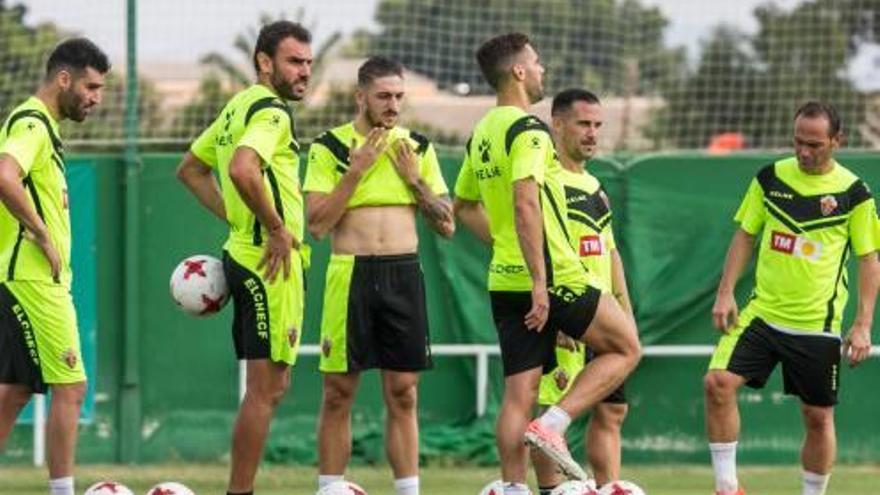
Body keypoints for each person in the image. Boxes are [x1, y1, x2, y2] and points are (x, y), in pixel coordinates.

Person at [453, 33, 640, 494]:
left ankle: (514, 488)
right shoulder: (529, 130)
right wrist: (540, 279)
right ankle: (553, 425)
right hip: (553, 276)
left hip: (504, 278)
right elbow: (525, 203)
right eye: (536, 63)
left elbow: (464, 205)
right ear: (518, 71)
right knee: (626, 348)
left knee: (519, 393)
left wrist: (506, 249)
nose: (542, 70)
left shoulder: (482, 134)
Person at [705, 101, 880, 495]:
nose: (803, 151)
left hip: (816, 325)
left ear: (837, 141)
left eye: (815, 144)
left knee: (817, 418)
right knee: (717, 383)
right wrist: (725, 292)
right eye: (798, 141)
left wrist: (863, 324)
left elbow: (870, 260)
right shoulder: (770, 178)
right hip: (762, 314)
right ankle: (727, 488)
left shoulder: (854, 193)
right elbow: (745, 234)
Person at [304, 56, 454, 495]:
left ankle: (408, 491)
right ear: (361, 97)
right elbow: (316, 224)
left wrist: (415, 183)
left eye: (398, 97)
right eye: (383, 96)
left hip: (404, 274)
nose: (392, 105)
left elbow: (446, 226)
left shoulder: (418, 148)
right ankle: (330, 489)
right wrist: (356, 172)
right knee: (337, 392)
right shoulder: (329, 148)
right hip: (350, 274)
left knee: (404, 392)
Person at [176, 20, 312, 495]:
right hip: (266, 264)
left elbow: (191, 170)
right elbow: (240, 168)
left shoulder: (238, 107)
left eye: (308, 63)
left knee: (270, 388)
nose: (304, 72)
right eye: (295, 61)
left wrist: (239, 222)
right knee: (265, 390)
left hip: (249, 254)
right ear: (264, 62)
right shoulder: (271, 111)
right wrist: (273, 228)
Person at [0, 38, 109, 495]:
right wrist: (41, 233)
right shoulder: (32, 122)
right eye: (90, 86)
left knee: (14, 392)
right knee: (72, 388)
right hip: (32, 280)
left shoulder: (46, 128)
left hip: (31, 279)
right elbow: (4, 174)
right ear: (63, 78)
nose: (95, 98)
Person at [531, 89, 634, 494]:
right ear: (557, 124)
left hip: (604, 311)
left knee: (613, 408)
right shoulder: (544, 180)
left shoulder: (594, 185)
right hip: (572, 309)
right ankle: (551, 491)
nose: (592, 134)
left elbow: (610, 252)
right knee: (551, 408)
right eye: (583, 124)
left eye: (597, 125)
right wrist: (560, 315)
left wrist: (625, 312)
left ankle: (608, 487)